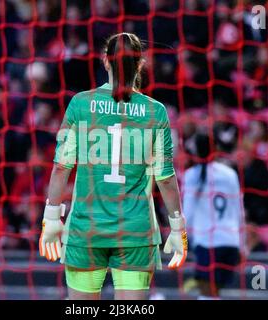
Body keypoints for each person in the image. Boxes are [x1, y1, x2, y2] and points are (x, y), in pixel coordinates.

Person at [38, 32, 188, 300]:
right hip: (135, 231)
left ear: (105, 62)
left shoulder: (80, 104)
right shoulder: (156, 112)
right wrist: (177, 227)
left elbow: (62, 166)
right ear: (140, 64)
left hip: (86, 228)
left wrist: (51, 217)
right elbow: (165, 177)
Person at [182, 133, 245, 299]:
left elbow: (186, 215)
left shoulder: (192, 176)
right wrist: (241, 244)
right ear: (215, 150)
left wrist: (180, 240)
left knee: (206, 293)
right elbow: (240, 212)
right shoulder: (230, 174)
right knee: (214, 293)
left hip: (208, 243)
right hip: (230, 242)